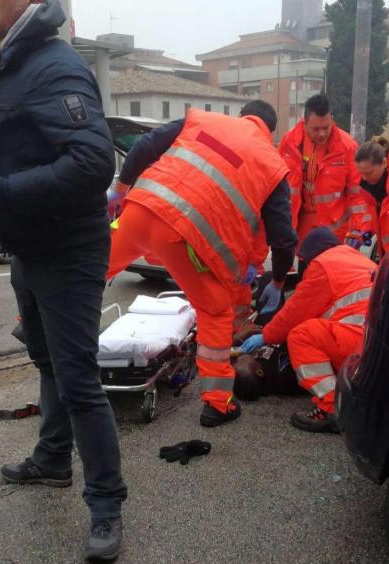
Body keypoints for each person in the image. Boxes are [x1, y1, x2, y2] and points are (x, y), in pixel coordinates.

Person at [0, 0, 127, 563]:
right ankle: (51, 460)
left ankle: (106, 505)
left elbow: (95, 164)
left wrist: (3, 191)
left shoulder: (54, 65)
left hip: (67, 250)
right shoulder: (12, 62)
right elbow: (24, 152)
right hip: (29, 244)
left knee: (77, 379)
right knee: (46, 362)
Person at [106, 100, 298, 427]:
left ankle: (36, 318)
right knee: (215, 312)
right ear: (270, 131)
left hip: (139, 210)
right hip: (186, 240)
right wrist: (278, 282)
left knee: (89, 269)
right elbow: (283, 239)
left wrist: (120, 190)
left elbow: (145, 147)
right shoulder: (271, 164)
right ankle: (217, 404)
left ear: (242, 116)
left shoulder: (202, 120)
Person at [239, 227, 377, 433]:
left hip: (359, 347)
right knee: (318, 332)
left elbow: (295, 312)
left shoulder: (323, 265)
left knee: (301, 336)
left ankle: (331, 408)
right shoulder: (358, 260)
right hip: (378, 346)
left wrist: (265, 336)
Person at [279, 94, 372, 249]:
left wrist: (358, 229)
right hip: (299, 226)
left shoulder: (347, 147)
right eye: (316, 129)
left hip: (334, 230)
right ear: (304, 122)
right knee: (304, 271)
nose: (321, 133)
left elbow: (358, 194)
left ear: (332, 121)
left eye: (326, 127)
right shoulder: (289, 143)